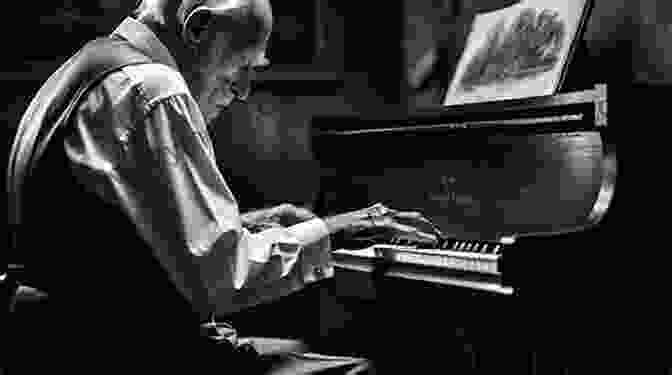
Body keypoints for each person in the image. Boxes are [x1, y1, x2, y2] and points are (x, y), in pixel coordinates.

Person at [6, 0, 436, 373]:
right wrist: (336, 230)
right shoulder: (153, 88)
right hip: (118, 355)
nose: (246, 91)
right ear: (197, 28)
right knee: (365, 367)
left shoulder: (90, 69)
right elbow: (219, 279)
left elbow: (130, 238)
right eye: (243, 65)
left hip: (60, 341)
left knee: (301, 351)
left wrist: (260, 223)